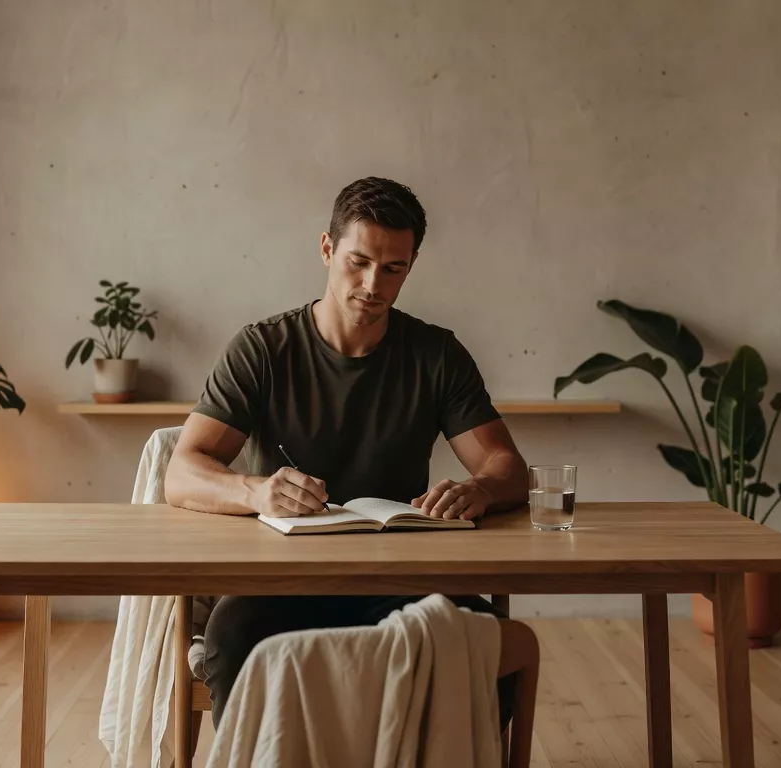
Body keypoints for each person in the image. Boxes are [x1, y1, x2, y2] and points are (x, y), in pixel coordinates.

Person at [164, 176, 530, 726]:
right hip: (280, 586)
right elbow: (182, 473)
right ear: (327, 248)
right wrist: (257, 490)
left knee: (488, 648)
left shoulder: (436, 355)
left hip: (405, 582)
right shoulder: (263, 349)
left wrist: (477, 488)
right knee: (232, 637)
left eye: (393, 269)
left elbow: (507, 468)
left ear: (411, 266)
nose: (371, 284)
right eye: (357, 261)